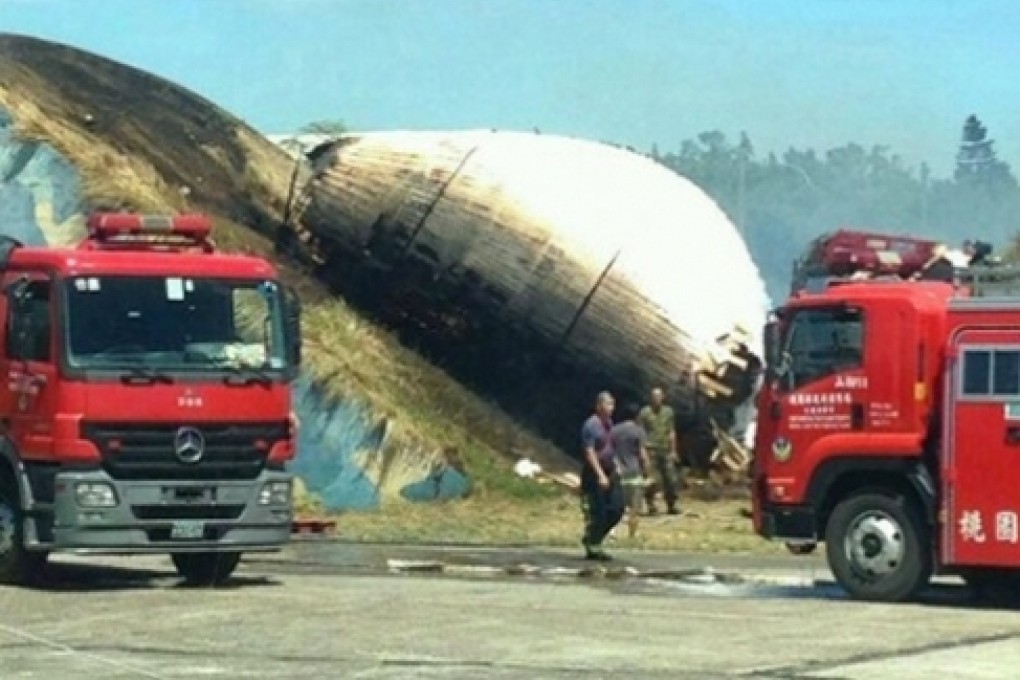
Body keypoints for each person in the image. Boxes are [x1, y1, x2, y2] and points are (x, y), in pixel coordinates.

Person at [579, 391, 625, 560]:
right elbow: (589, 451)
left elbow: (610, 447)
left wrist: (617, 465)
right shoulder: (591, 425)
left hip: (610, 469)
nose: (611, 408)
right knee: (599, 511)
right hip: (595, 472)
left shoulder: (609, 423)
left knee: (617, 508)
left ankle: (594, 537)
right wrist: (600, 475)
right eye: (607, 404)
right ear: (599, 406)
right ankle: (593, 545)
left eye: (612, 404)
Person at [638, 387, 680, 515]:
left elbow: (671, 431)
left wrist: (673, 450)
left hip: (665, 450)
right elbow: (640, 432)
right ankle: (651, 505)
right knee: (652, 480)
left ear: (663, 397)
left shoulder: (668, 412)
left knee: (671, 479)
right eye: (654, 396)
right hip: (651, 451)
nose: (656, 399)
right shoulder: (645, 412)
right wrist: (642, 450)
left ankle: (671, 504)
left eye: (659, 396)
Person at [611, 403, 651, 538]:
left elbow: (609, 451)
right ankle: (632, 534)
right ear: (637, 415)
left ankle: (612, 532)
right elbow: (643, 454)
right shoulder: (638, 431)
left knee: (617, 505)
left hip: (618, 472)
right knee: (635, 506)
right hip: (634, 472)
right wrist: (648, 472)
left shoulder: (614, 430)